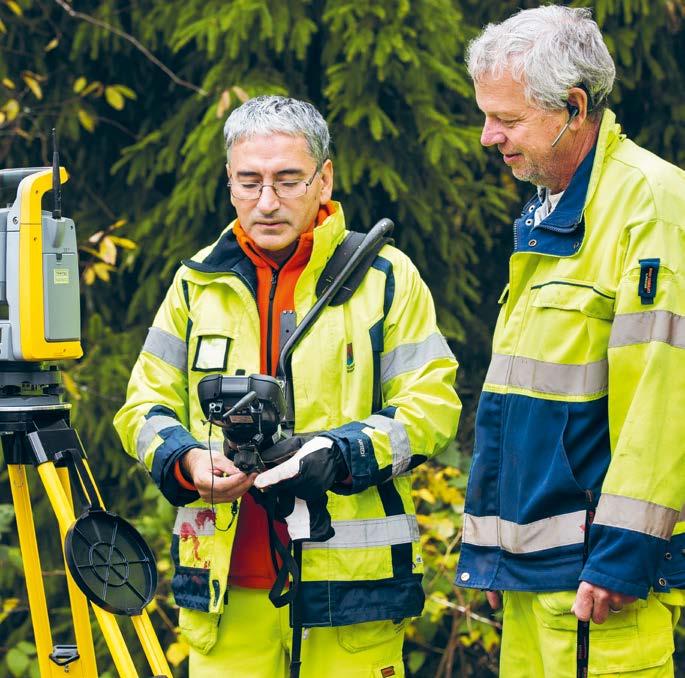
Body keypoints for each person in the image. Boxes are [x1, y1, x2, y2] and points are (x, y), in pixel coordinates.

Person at [114, 95, 461, 677]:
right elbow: (143, 406)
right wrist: (187, 461)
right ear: (229, 183)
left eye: (287, 181)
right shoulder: (196, 283)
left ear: (324, 179)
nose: (266, 202)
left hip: (351, 599)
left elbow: (432, 404)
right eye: (249, 182)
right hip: (224, 596)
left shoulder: (385, 278)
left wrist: (342, 452)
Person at [455, 6, 685, 676]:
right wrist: (497, 555)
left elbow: (663, 394)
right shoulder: (554, 209)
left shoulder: (650, 203)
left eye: (506, 118)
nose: (485, 135)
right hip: (538, 581)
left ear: (573, 107)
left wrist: (623, 552)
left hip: (600, 587)